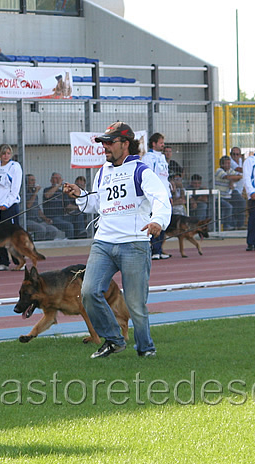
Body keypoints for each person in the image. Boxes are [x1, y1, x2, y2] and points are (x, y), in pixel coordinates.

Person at [63, 121, 171, 359]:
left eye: (110, 143)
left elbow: (161, 198)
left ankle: (146, 348)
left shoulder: (142, 171)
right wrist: (80, 195)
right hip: (103, 242)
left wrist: (158, 222)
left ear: (125, 144)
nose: (105, 147)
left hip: (134, 243)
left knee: (135, 305)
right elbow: (96, 204)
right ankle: (113, 339)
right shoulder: (102, 172)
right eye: (104, 143)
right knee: (89, 292)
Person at [0, 144, 22, 270]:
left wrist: (7, 204)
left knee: (12, 234)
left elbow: (15, 189)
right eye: (3, 154)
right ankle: (3, 261)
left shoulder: (15, 167)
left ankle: (19, 260)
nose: (6, 156)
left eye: (8, 153)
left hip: (9, 207)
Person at [141, 132, 172, 259]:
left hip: (165, 194)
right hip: (155, 196)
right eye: (160, 143)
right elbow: (149, 177)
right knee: (154, 221)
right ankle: (153, 250)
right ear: (154, 144)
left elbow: (165, 177)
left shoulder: (162, 158)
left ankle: (159, 250)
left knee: (163, 220)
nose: (163, 145)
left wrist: (169, 195)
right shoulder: (148, 158)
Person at [43, 172, 84, 239]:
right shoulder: (47, 190)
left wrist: (79, 207)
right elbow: (47, 195)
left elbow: (68, 206)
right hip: (53, 218)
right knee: (69, 226)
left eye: (59, 178)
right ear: (51, 180)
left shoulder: (62, 192)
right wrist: (58, 185)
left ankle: (81, 234)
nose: (58, 180)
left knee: (78, 215)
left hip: (63, 216)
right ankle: (69, 242)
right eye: (56, 178)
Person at [25, 174, 62, 241]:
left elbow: (38, 209)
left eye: (34, 180)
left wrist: (45, 218)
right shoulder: (24, 193)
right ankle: (38, 245)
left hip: (37, 220)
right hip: (27, 220)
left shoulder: (34, 194)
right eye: (32, 180)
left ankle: (46, 246)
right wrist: (36, 192)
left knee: (53, 230)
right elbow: (28, 205)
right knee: (41, 229)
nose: (34, 182)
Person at [214, 155, 242, 230]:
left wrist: (232, 180)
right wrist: (231, 179)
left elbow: (239, 176)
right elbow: (227, 177)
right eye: (226, 163)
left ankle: (237, 225)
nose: (228, 165)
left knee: (239, 203)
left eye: (229, 163)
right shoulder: (219, 170)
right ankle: (227, 226)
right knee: (229, 207)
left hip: (227, 195)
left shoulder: (230, 171)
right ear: (222, 164)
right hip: (219, 197)